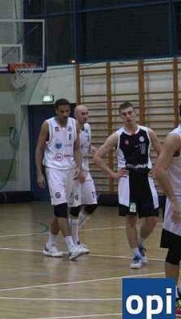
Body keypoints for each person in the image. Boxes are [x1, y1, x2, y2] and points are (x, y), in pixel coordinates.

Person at [93, 101, 162, 269]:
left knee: (153, 219)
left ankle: (140, 242)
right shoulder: (117, 136)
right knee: (131, 219)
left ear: (135, 113)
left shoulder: (147, 133)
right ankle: (136, 255)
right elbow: (97, 157)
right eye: (124, 114)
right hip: (128, 182)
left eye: (130, 113)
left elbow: (162, 153)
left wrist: (157, 169)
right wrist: (113, 174)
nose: (128, 117)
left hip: (146, 180)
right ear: (120, 117)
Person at [35, 98, 86, 261]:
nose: (65, 114)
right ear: (56, 111)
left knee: (60, 210)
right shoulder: (47, 125)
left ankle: (50, 244)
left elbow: (77, 148)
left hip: (70, 170)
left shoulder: (74, 124)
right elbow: (39, 149)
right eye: (61, 111)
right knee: (61, 208)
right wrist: (39, 173)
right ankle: (71, 247)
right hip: (53, 169)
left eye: (67, 111)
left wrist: (79, 166)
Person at [152, 103, 181, 317]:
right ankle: (171, 298)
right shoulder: (175, 137)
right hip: (178, 199)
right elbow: (159, 170)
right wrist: (174, 201)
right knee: (176, 251)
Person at [69, 105, 99, 253]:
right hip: (74, 170)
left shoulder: (87, 127)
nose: (85, 116)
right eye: (82, 113)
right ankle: (74, 241)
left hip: (86, 169)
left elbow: (85, 146)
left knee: (92, 204)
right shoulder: (70, 129)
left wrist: (91, 148)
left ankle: (72, 233)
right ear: (75, 114)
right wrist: (78, 169)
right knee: (75, 206)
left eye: (87, 113)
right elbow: (71, 150)